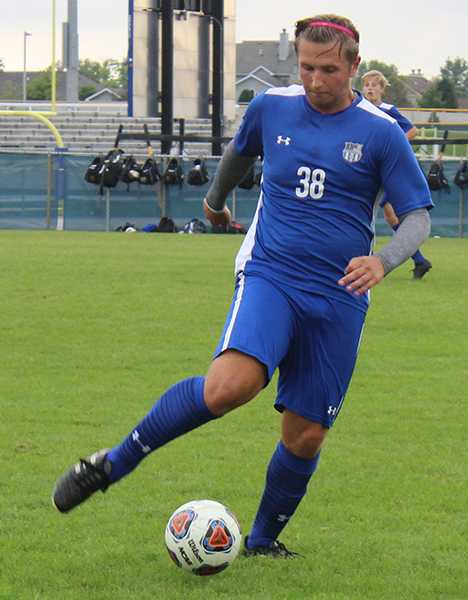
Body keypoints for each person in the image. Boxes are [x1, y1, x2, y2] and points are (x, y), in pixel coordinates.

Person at [51, 14, 434, 559]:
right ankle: (114, 462)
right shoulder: (271, 107)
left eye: (328, 69)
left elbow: (417, 216)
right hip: (271, 274)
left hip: (339, 295)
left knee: (305, 435)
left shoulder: (381, 132)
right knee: (228, 387)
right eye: (306, 66)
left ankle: (261, 541)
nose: (315, 80)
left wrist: (386, 260)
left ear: (353, 65)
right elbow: (238, 154)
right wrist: (213, 203)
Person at [361, 69, 432, 278]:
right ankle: (419, 260)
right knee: (389, 213)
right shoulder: (360, 110)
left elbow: (411, 130)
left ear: (382, 89)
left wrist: (392, 146)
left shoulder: (387, 110)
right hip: (372, 168)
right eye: (367, 85)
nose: (370, 88)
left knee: (393, 212)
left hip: (389, 169)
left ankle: (416, 260)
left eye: (374, 85)